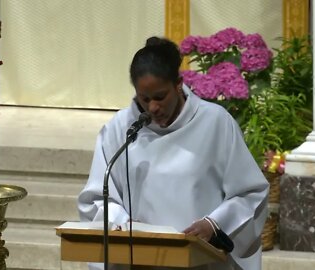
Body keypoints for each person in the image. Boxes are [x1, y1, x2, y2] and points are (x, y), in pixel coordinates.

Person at [78, 37, 269, 270]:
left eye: (160, 97)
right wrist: (121, 222)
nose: (152, 108)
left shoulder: (215, 123)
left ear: (178, 84)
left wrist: (214, 224)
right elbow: (96, 198)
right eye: (144, 98)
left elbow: (250, 194)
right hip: (138, 260)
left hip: (201, 261)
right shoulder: (120, 129)